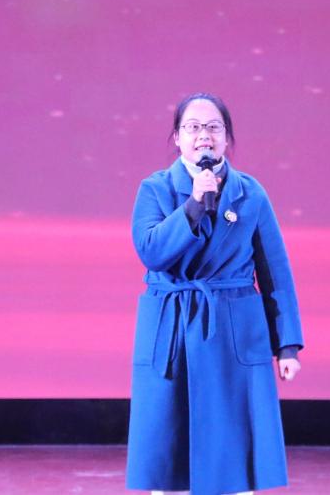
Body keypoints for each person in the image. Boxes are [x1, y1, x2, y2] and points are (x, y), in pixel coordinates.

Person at [125, 93, 304, 495]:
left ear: (226, 138)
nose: (203, 135)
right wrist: (193, 205)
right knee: (170, 447)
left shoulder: (250, 193)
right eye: (193, 127)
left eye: (213, 127)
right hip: (172, 326)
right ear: (177, 137)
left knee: (233, 451)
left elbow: (273, 270)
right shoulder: (155, 189)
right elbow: (150, 251)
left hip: (233, 327)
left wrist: (287, 345)